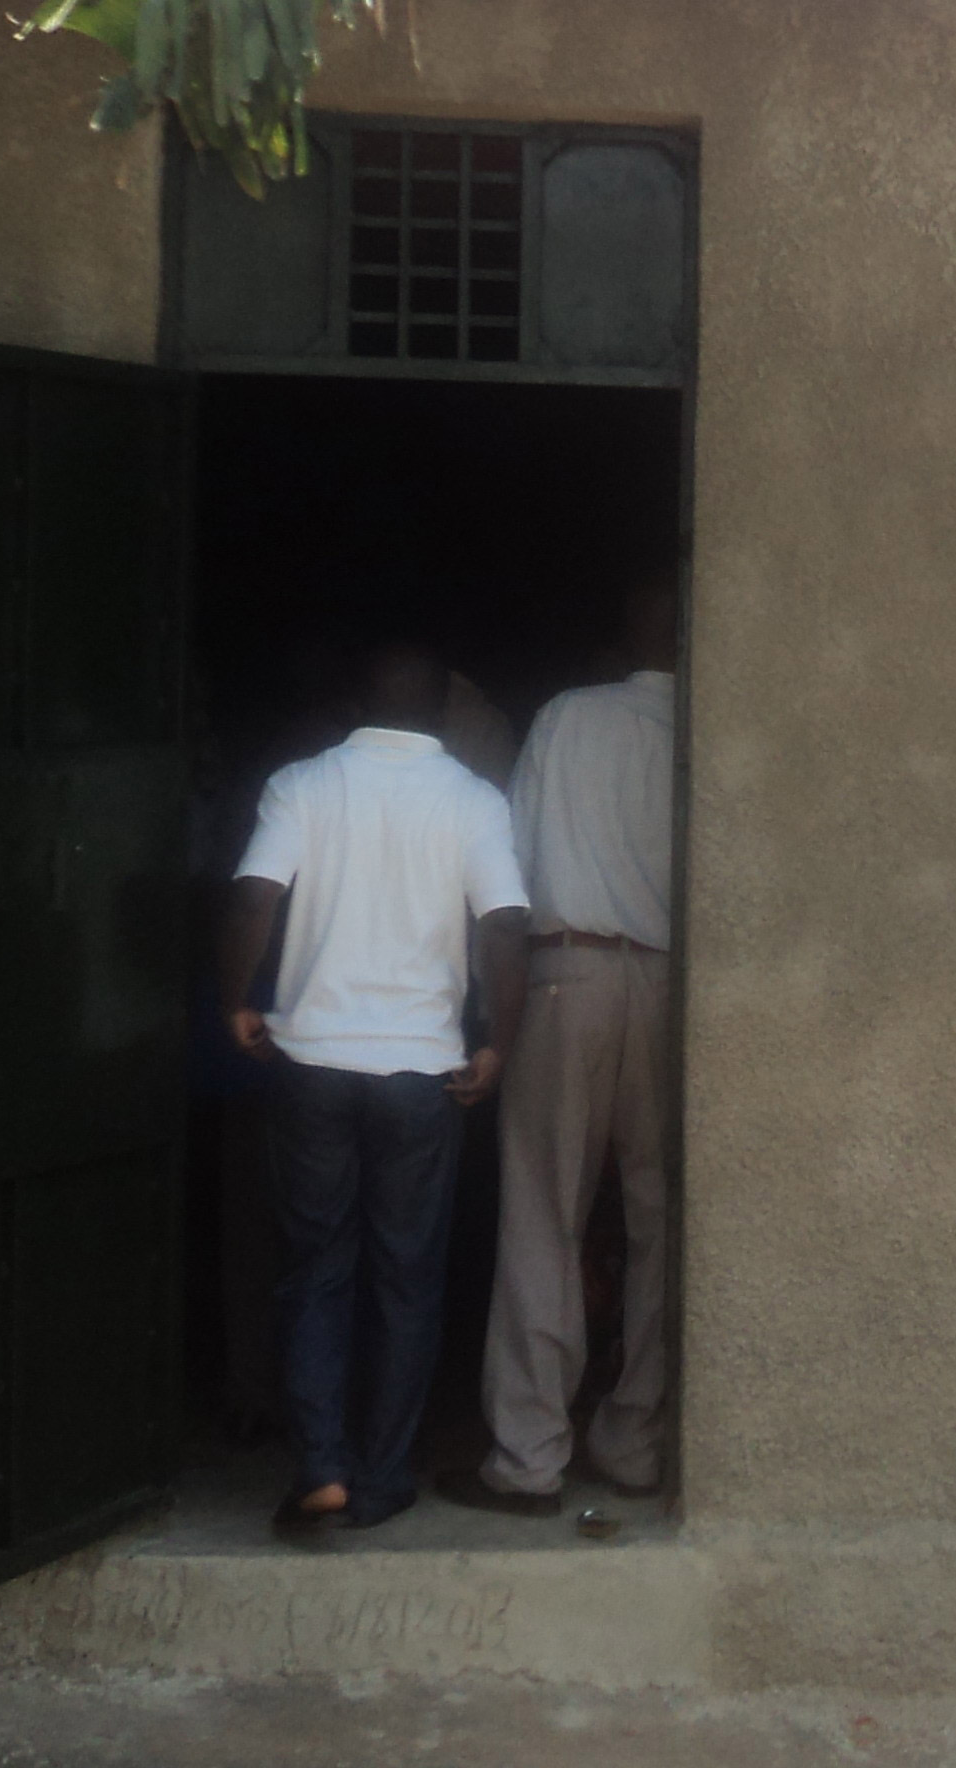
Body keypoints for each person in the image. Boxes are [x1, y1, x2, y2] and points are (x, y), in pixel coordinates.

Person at [216, 642, 531, 1533]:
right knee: (406, 1277)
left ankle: (320, 1466)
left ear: (358, 703)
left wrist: (235, 1000)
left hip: (312, 1062)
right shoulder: (474, 799)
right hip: (421, 1071)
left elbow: (252, 898)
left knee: (314, 1268)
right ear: (442, 713)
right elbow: (506, 924)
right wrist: (498, 1044)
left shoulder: (302, 783)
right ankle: (384, 1475)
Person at [458, 574, 681, 1512]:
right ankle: (633, 1442)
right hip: (673, 990)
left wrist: (488, 1006)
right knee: (664, 1226)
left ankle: (529, 1456)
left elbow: (507, 870)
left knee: (543, 1217)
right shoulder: (705, 730)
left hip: (565, 974)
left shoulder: (567, 717)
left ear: (626, 629)